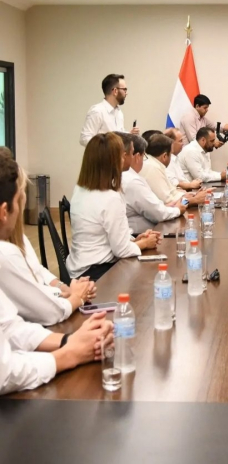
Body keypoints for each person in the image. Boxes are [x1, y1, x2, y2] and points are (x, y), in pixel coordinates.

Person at [0, 156, 113, 395]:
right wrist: (68, 354)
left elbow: (9, 327)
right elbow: (5, 372)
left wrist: (67, 341)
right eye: (20, 201)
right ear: (4, 212)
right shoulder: (4, 253)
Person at [0, 163, 96, 326]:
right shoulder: (5, 254)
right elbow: (46, 311)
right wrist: (74, 297)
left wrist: (64, 289)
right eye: (20, 196)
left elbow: (38, 271)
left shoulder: (17, 236)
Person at [67, 133, 159, 281]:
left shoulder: (80, 189)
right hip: (96, 272)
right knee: (149, 277)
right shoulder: (110, 197)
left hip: (79, 267)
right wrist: (144, 243)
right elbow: (121, 250)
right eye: (121, 156)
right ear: (112, 162)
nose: (123, 159)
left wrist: (134, 241)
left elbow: (107, 236)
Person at [120, 134, 187, 234]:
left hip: (139, 235)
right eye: (144, 156)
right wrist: (178, 209)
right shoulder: (132, 181)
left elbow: (154, 208)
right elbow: (158, 214)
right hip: (139, 234)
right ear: (137, 157)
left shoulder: (128, 176)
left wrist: (166, 207)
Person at [141, 133, 213, 202]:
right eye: (170, 154)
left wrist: (191, 195)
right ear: (164, 156)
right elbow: (169, 203)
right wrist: (194, 200)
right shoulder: (153, 168)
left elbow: (173, 193)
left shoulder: (156, 165)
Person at [79, 74, 138, 146]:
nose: (126, 93)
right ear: (115, 91)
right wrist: (106, 146)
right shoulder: (97, 111)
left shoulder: (119, 112)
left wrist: (129, 135)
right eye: (124, 89)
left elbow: (117, 137)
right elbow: (84, 138)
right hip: (102, 157)